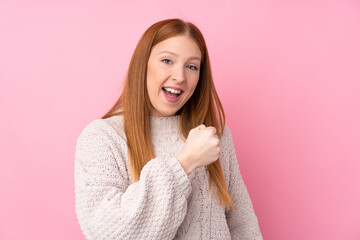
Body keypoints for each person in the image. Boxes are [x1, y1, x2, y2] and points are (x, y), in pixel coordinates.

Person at [74, 18, 263, 240]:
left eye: (192, 66)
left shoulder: (214, 134)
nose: (180, 77)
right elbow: (109, 233)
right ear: (142, 64)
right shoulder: (102, 137)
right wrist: (184, 163)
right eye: (167, 60)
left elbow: (243, 224)